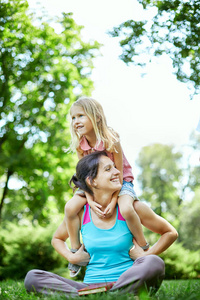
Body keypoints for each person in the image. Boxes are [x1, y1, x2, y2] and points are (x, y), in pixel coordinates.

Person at [24, 151, 178, 298]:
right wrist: (72, 258)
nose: (117, 172)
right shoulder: (80, 213)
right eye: (108, 169)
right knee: (33, 277)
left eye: (115, 167)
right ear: (92, 181)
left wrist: (145, 255)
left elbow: (170, 232)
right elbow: (57, 239)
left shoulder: (132, 208)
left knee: (154, 262)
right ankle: (110, 297)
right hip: (89, 286)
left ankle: (107, 295)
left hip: (126, 282)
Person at [65, 97, 148, 276]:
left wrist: (112, 201)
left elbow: (117, 173)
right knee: (70, 207)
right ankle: (76, 251)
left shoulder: (111, 139)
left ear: (96, 117)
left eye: (80, 115)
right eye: (73, 118)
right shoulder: (81, 145)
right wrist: (90, 200)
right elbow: (84, 176)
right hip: (91, 185)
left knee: (126, 208)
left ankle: (142, 246)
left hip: (120, 182)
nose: (76, 121)